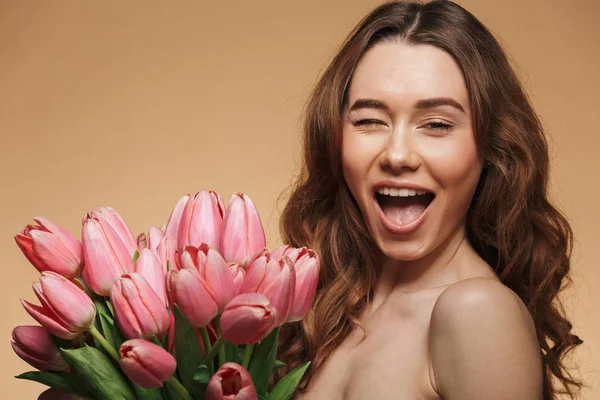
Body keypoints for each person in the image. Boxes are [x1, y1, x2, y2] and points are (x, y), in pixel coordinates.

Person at [276, 1, 583, 399]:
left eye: (436, 124)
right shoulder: (330, 306)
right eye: (369, 120)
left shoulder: (477, 312)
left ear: (490, 148)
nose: (397, 155)